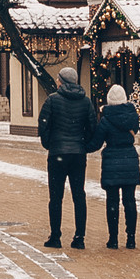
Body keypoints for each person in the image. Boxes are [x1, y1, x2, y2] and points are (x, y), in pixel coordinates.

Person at [37, 67, 93, 249]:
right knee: (79, 195)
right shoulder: (86, 102)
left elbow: (43, 124)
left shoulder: (52, 100)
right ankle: (79, 237)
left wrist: (49, 143)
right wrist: (84, 145)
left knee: (56, 197)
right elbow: (93, 127)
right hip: (78, 154)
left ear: (61, 81)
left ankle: (55, 236)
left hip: (57, 154)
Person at [95, 86, 140, 249]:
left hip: (112, 162)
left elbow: (96, 142)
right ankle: (131, 238)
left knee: (112, 201)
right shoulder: (133, 116)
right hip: (130, 159)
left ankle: (113, 239)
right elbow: (135, 130)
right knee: (130, 201)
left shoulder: (105, 120)